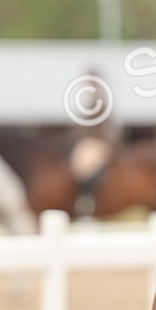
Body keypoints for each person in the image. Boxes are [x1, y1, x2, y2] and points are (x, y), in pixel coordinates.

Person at [68, 70, 121, 217]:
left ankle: (88, 198)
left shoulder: (101, 104)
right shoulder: (89, 105)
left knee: (85, 163)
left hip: (99, 143)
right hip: (90, 142)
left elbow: (106, 130)